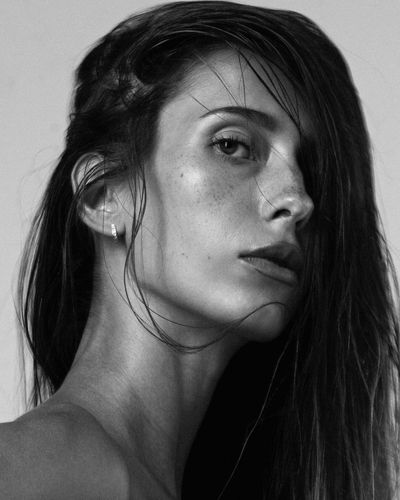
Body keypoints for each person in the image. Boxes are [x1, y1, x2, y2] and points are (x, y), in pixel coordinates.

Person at [1, 1, 399, 498]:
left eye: (311, 171)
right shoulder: (31, 471)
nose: (298, 200)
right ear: (104, 197)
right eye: (232, 145)